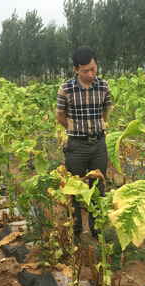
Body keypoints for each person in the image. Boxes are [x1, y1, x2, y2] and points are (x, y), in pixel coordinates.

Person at [56, 46, 113, 245]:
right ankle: (77, 232)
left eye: (93, 69)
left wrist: (95, 129)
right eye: (85, 71)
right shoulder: (66, 89)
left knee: (98, 189)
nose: (90, 74)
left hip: (99, 144)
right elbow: (61, 117)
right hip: (76, 146)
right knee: (76, 190)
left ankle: (97, 229)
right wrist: (78, 131)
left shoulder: (103, 86)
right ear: (75, 69)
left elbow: (105, 112)